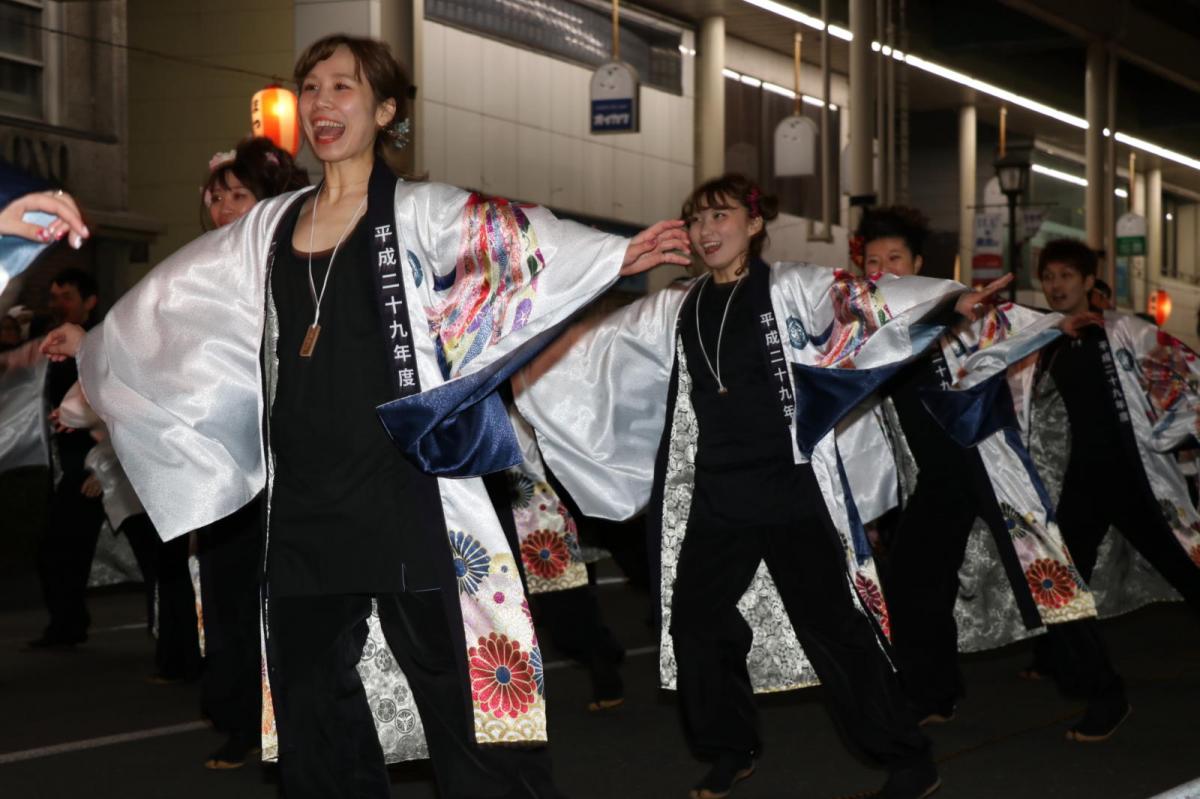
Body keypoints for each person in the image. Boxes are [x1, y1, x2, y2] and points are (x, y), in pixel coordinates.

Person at [42, 33, 688, 799]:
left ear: (384, 110)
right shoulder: (268, 228)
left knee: (465, 708)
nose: (321, 102)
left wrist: (615, 256)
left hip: (406, 489)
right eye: (311, 87)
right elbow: (172, 310)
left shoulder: (421, 211)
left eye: (342, 87)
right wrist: (91, 372)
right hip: (307, 503)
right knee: (312, 716)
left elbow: (518, 241)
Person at [516, 175, 1012, 799]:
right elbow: (596, 348)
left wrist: (950, 302)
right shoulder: (678, 305)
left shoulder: (792, 286)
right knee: (693, 623)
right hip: (717, 496)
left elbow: (866, 299)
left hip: (788, 489)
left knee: (832, 626)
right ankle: (730, 746)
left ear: (753, 225)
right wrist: (519, 343)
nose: (705, 230)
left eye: (720, 216)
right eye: (696, 220)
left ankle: (908, 757)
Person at [857, 208, 1127, 742]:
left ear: (917, 264)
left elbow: (1009, 324)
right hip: (938, 479)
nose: (885, 269)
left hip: (990, 462)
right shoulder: (869, 329)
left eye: (895, 259)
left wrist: (1058, 324)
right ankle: (932, 693)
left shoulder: (955, 303)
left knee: (1047, 577)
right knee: (913, 580)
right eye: (873, 261)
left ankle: (1106, 693)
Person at [196, 136, 308, 770]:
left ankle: (296, 722)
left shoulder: (297, 261)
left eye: (239, 195)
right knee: (230, 595)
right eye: (216, 199)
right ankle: (242, 720)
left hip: (289, 458)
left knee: (291, 599)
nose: (225, 210)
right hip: (225, 459)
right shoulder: (199, 270)